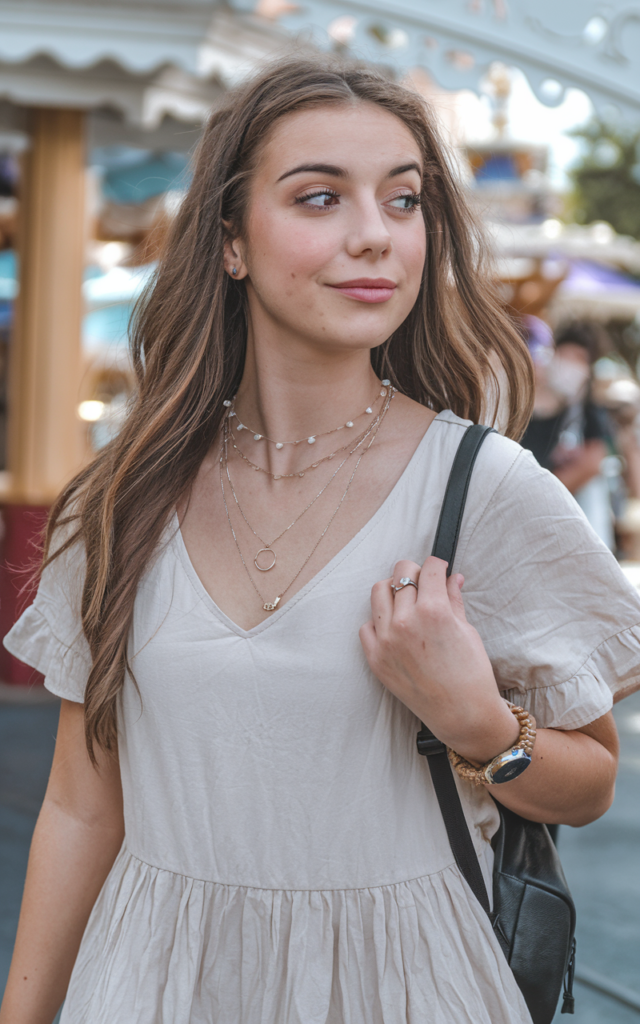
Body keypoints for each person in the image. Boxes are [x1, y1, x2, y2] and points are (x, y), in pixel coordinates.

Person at [1, 57, 639, 1024]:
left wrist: (477, 722)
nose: (374, 234)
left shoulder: (482, 487)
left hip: (404, 989)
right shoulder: (124, 500)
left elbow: (590, 783)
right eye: (319, 197)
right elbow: (81, 808)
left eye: (403, 200)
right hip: (152, 986)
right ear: (230, 241)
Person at [521, 320, 615, 547]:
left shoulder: (588, 411)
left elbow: (592, 463)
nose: (572, 365)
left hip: (551, 520)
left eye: (581, 359)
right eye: (567, 355)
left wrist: (534, 501)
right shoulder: (521, 404)